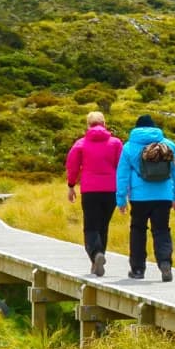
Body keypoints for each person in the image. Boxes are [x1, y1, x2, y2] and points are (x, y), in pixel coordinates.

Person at [116, 114, 175, 282]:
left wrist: (121, 199)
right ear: (154, 127)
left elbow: (122, 175)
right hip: (164, 196)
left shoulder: (129, 147)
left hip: (139, 198)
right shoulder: (168, 144)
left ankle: (138, 269)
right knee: (161, 230)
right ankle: (165, 264)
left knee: (138, 230)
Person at [65, 111, 123, 277]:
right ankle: (98, 258)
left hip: (90, 190)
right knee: (103, 227)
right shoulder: (116, 143)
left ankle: (96, 255)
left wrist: (71, 185)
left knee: (91, 227)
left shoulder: (81, 144)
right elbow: (122, 167)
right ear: (104, 124)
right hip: (111, 190)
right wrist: (124, 190)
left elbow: (72, 166)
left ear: (88, 125)